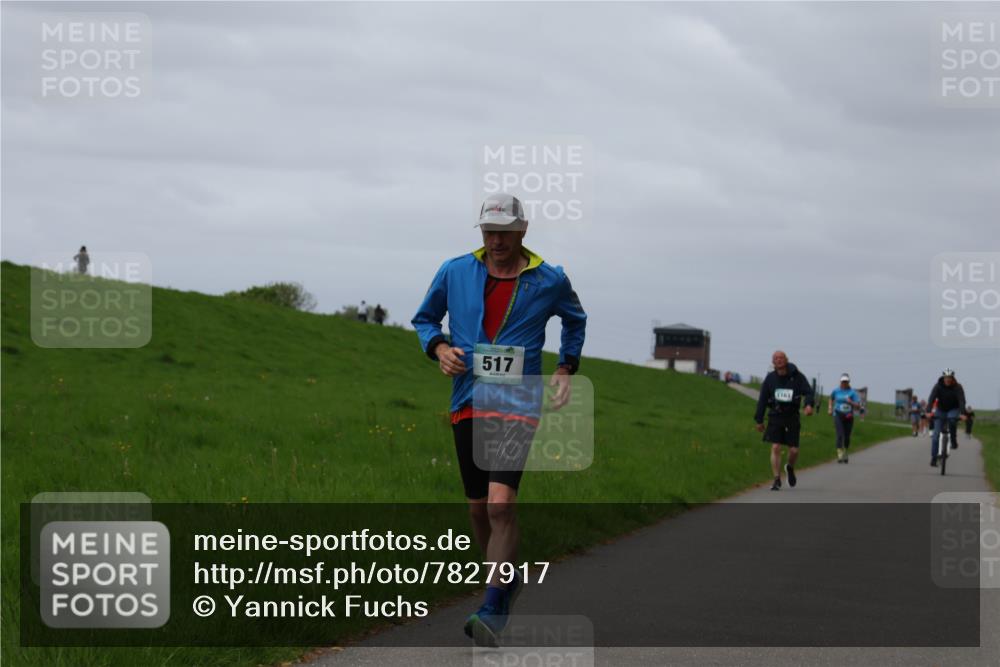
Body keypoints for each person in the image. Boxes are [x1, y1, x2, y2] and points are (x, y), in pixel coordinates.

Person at [412, 193, 587, 646]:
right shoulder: (455, 271)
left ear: (522, 230)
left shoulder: (549, 279)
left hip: (518, 402)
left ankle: (492, 606)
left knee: (500, 504)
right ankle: (505, 580)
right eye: (488, 233)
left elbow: (575, 319)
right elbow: (425, 319)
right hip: (468, 398)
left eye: (504, 233)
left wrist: (566, 367)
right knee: (477, 509)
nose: (495, 241)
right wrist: (440, 348)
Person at [754, 350, 815, 490]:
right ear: (773, 362)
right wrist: (759, 420)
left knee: (794, 450)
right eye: (775, 358)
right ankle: (776, 479)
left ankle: (790, 467)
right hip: (775, 415)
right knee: (775, 447)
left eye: (781, 357)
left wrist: (808, 405)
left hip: (792, 416)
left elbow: (808, 392)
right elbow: (762, 400)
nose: (779, 360)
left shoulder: (797, 376)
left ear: (786, 359)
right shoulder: (770, 379)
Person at [927, 368, 967, 467]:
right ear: (943, 378)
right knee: (935, 435)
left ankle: (953, 440)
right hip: (940, 410)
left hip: (953, 409)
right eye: (946, 378)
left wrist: (962, 413)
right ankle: (934, 458)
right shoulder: (938, 386)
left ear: (953, 378)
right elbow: (931, 399)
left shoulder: (958, 387)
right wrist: (928, 411)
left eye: (949, 378)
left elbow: (961, 401)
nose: (947, 380)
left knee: (952, 420)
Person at [828, 373, 862, 463]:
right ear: (840, 382)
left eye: (846, 381)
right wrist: (830, 408)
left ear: (848, 382)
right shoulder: (836, 391)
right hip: (838, 414)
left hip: (848, 416)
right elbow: (831, 398)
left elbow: (858, 406)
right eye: (843, 381)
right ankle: (839, 454)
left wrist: (851, 402)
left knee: (847, 436)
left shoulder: (852, 392)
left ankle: (845, 452)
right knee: (839, 435)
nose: (844, 383)